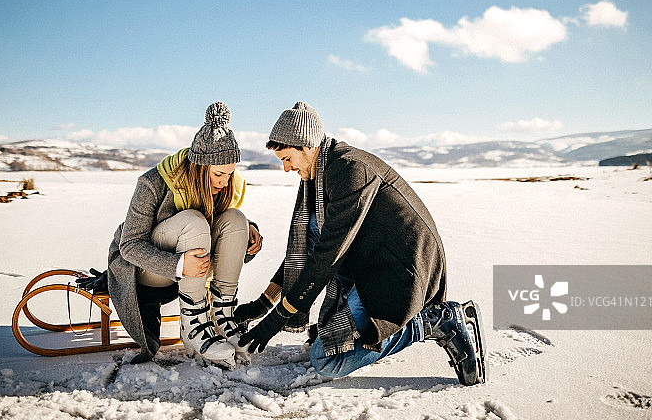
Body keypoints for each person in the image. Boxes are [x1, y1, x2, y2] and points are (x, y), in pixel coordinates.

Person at [236, 101, 486, 385]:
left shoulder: (349, 170)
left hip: (400, 271)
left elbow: (326, 257)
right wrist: (262, 304)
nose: (286, 168)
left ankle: (433, 320)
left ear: (306, 146)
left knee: (327, 360)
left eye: (287, 158)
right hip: (368, 264)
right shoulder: (322, 177)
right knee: (330, 336)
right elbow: (309, 251)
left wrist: (278, 317)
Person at [106, 101, 262, 367]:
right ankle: (193, 323)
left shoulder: (225, 186)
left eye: (230, 174)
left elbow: (222, 230)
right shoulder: (153, 182)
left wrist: (248, 235)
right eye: (219, 174)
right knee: (193, 221)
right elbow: (129, 246)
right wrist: (178, 264)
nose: (225, 182)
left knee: (237, 218)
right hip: (145, 271)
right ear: (200, 168)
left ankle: (222, 317)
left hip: (192, 265)